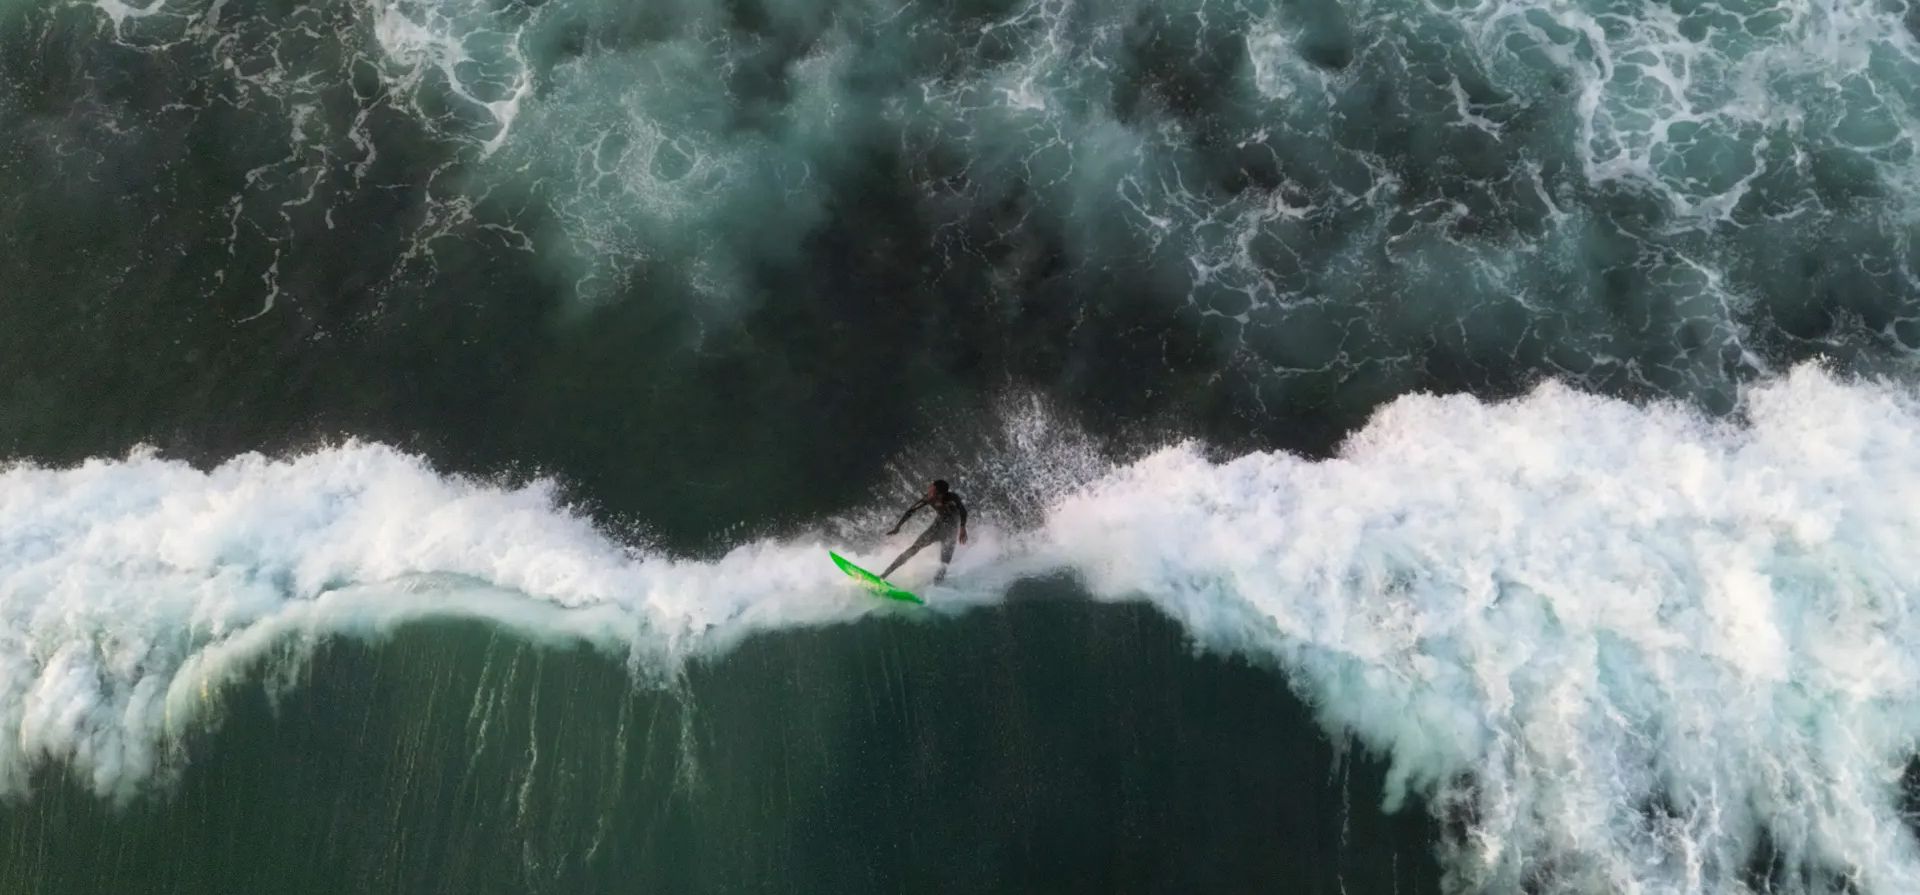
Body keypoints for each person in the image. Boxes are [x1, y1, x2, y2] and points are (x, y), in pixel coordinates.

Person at [880, 479, 968, 583]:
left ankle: (936, 587)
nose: (929, 488)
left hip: (950, 532)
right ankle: (884, 575)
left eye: (932, 488)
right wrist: (897, 527)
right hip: (936, 528)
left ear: (938, 493)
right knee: (913, 549)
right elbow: (911, 511)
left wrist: (962, 528)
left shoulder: (952, 498)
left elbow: (963, 511)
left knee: (944, 564)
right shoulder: (929, 499)